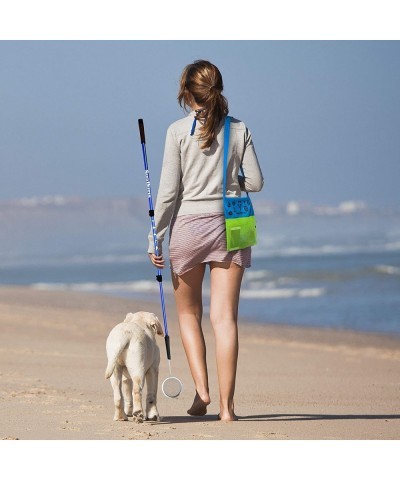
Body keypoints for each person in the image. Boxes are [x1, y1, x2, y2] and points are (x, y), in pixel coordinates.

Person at [147, 59, 264, 421]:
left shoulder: (177, 131)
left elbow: (168, 193)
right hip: (231, 226)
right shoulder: (239, 128)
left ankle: (202, 393)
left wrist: (155, 237)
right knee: (225, 319)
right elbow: (257, 182)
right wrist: (230, 182)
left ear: (186, 92)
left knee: (188, 314)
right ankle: (228, 409)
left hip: (188, 228)